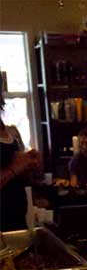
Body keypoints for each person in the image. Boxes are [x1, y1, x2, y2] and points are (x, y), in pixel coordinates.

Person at [0, 72, 42, 231]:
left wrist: (29, 163)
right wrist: (15, 168)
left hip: (16, 219)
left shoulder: (8, 129)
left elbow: (20, 176)